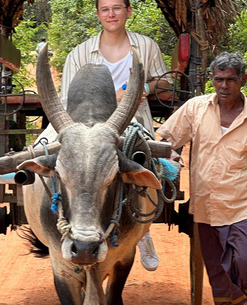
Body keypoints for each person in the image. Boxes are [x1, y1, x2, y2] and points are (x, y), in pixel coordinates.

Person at [36, 0, 170, 271]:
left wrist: (144, 86)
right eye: (105, 9)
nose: (111, 14)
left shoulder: (146, 46)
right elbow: (66, 101)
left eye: (117, 8)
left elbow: (165, 83)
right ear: (98, 14)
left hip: (129, 125)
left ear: (128, 11)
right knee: (48, 153)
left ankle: (141, 231)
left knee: (147, 166)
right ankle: (64, 224)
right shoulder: (80, 53)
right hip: (81, 129)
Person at [157, 52, 247, 305]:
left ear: (243, 80)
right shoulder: (196, 108)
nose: (224, 86)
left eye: (231, 80)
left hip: (242, 205)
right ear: (212, 80)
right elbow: (166, 137)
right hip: (205, 207)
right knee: (217, 270)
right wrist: (170, 155)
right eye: (218, 80)